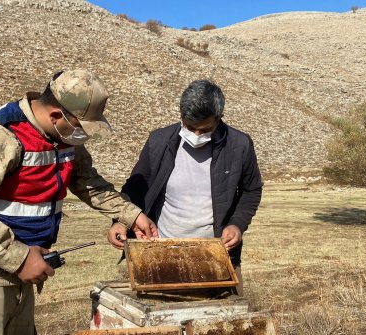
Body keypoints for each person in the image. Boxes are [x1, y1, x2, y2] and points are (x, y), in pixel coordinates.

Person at [0, 69, 157, 335]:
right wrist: (19, 258)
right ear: (56, 115)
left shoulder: (62, 136)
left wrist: (130, 214)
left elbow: (87, 181)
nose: (85, 137)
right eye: (83, 129)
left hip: (22, 270)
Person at [108, 79, 262, 295]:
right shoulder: (160, 141)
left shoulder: (239, 145)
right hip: (159, 252)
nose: (196, 135)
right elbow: (136, 186)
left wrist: (237, 224)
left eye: (205, 129)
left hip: (216, 256)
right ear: (181, 113)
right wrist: (121, 221)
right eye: (190, 127)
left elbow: (251, 190)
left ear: (218, 118)